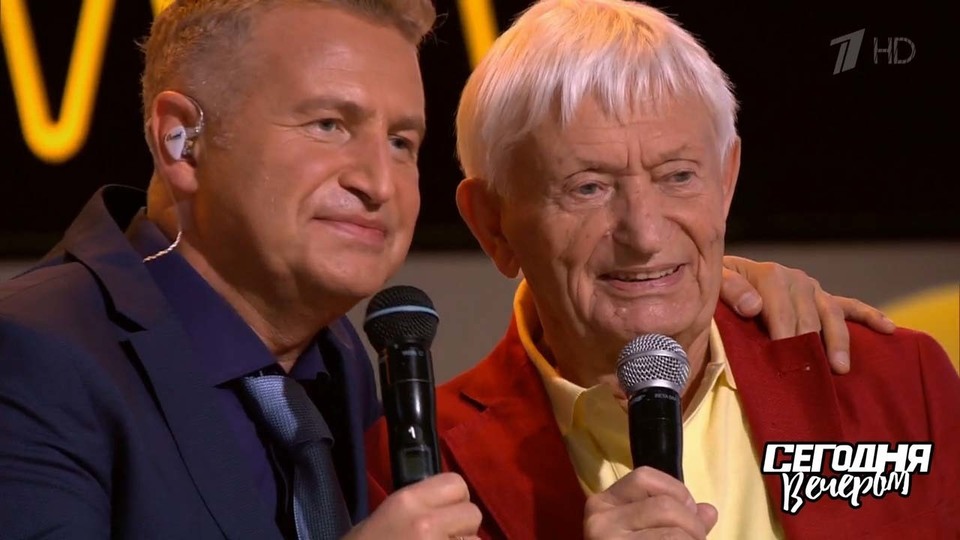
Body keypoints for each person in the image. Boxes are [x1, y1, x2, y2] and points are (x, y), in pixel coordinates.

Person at [0, 0, 893, 538]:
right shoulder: (33, 356)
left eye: (401, 140)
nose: (376, 180)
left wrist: (683, 280)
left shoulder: (340, 369)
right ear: (179, 140)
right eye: (329, 125)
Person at [365, 1, 960, 539]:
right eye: (588, 187)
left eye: (678, 176)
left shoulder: (897, 381)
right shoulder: (411, 471)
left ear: (726, 181)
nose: (645, 236)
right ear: (493, 224)